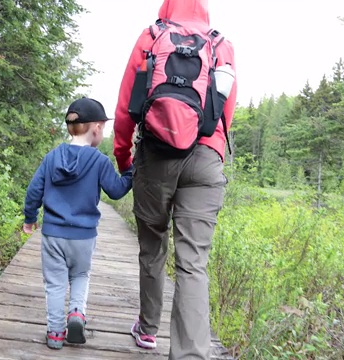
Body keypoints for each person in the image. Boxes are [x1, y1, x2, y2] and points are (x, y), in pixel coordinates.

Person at [113, 0, 237, 359]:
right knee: (193, 263)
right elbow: (225, 111)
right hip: (206, 158)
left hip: (156, 155)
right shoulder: (221, 45)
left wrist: (124, 158)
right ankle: (191, 355)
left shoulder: (152, 36)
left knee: (152, 247)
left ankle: (147, 330)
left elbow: (126, 107)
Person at [23, 97, 134, 350]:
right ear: (96, 128)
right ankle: (76, 313)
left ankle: (54, 333)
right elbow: (116, 191)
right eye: (103, 128)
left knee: (54, 283)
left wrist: (30, 219)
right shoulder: (99, 161)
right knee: (81, 275)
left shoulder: (52, 157)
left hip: (53, 235)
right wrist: (131, 172)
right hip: (84, 237)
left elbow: (34, 191)